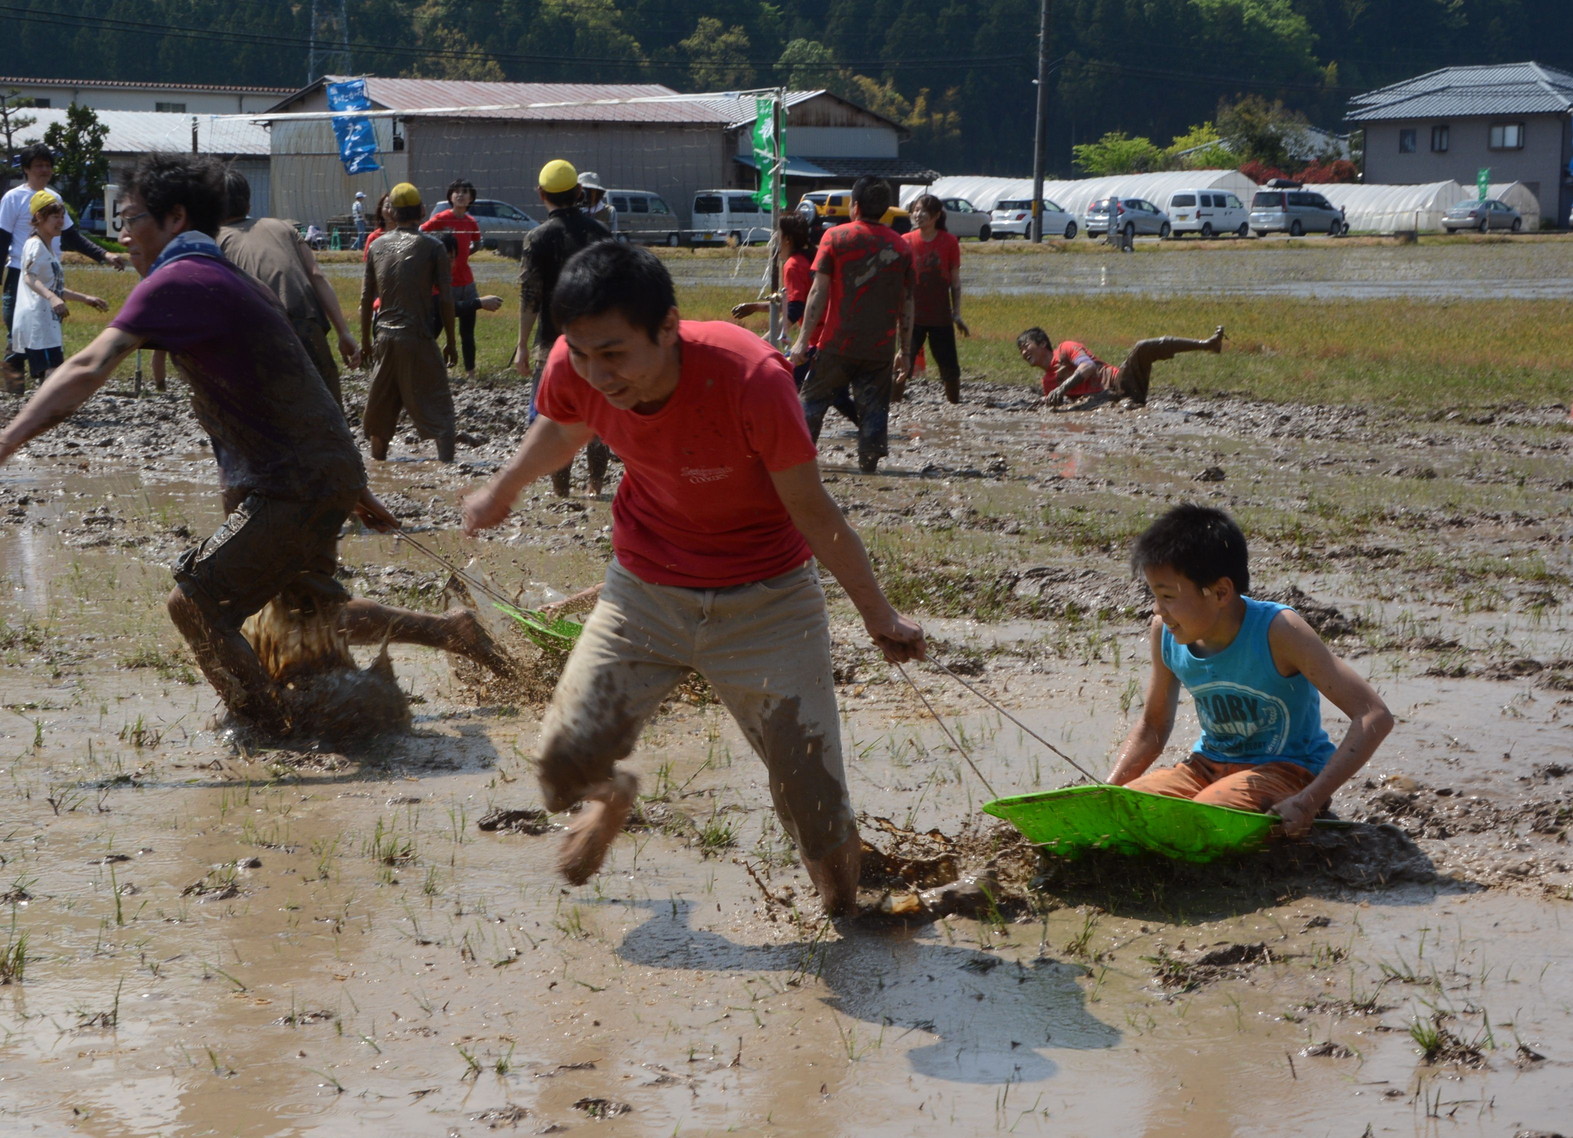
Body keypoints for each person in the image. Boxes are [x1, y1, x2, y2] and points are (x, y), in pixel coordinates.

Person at [461, 241, 927, 916]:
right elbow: (563, 429)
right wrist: (502, 488)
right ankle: (612, 796)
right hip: (643, 593)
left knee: (813, 803)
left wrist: (877, 614)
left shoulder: (750, 378)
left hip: (767, 603)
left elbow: (812, 511)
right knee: (562, 768)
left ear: (668, 326)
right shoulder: (575, 367)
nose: (596, 373)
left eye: (614, 353)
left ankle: (844, 917)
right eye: (581, 353)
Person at [0, 153, 511, 735]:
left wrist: (7, 440)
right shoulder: (219, 274)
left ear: (175, 216)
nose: (121, 235)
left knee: (194, 604)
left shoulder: (182, 275)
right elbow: (298, 380)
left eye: (130, 218)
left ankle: (271, 729)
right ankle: (450, 632)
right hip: (309, 473)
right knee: (312, 616)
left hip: (289, 482)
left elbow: (89, 363)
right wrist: (344, 478)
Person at [1107, 504, 1393, 838]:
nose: (1159, 610)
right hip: (1206, 767)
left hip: (1287, 771)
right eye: (1154, 596)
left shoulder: (1280, 631)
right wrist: (1106, 794)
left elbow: (1374, 715)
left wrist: (1308, 801)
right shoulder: (1164, 633)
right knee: (1131, 809)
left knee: (1205, 816)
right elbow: (1153, 726)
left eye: (1168, 596)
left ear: (1220, 592)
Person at [789, 175, 913, 474]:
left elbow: (818, 291)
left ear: (854, 206)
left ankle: (798, 463)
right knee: (873, 407)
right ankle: (869, 464)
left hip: (837, 342)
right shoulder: (901, 246)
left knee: (813, 400)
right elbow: (907, 303)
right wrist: (905, 352)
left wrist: (802, 340)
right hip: (880, 347)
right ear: (884, 209)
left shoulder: (835, 237)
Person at [218, 166, 360, 406]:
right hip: (305, 324)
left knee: (269, 416)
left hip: (260, 333)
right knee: (328, 411)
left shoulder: (214, 240)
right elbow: (317, 276)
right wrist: (344, 332)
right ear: (249, 205)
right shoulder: (284, 227)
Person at [515, 158, 612, 497]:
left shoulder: (537, 238)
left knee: (557, 420)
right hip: (597, 346)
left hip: (551, 346)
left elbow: (530, 296)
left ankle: (560, 495)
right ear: (580, 192)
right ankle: (596, 488)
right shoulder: (601, 233)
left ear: (541, 194)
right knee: (599, 419)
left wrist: (522, 346)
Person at [1, 143, 126, 388]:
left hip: (48, 271)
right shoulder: (13, 198)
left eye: (48, 165)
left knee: (42, 334)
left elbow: (71, 236)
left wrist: (104, 255)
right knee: (17, 334)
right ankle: (13, 393)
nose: (44, 170)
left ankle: (43, 390)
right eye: (39, 165)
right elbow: (2, 239)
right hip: (19, 272)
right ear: (26, 169)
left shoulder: (54, 198)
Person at [360, 182, 458, 462]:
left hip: (384, 338)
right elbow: (447, 299)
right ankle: (447, 466)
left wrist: (366, 341)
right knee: (440, 408)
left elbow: (367, 298)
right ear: (423, 211)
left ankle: (378, 461)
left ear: (391, 212)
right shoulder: (433, 247)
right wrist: (451, 342)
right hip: (418, 337)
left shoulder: (376, 245)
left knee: (381, 408)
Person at [731, 214, 858, 426]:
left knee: (784, 381)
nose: (773, 240)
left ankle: (774, 428)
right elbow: (797, 302)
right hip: (836, 334)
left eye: (776, 235)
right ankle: (869, 428)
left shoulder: (792, 265)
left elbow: (797, 307)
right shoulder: (810, 258)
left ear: (787, 238)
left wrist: (766, 340)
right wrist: (756, 307)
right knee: (837, 395)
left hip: (818, 341)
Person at [13, 192, 108, 384]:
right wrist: (52, 298)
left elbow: (54, 288)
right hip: (38, 322)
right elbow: (29, 278)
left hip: (49, 322)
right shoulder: (35, 246)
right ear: (39, 217)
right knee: (52, 372)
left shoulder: (48, 249)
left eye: (62, 217)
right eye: (55, 217)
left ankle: (45, 411)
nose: (61, 222)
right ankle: (46, 412)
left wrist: (85, 298)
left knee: (52, 371)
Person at [1018, 324, 1226, 409]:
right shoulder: (1047, 382)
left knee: (1142, 347)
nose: (1024, 353)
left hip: (1122, 384)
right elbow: (1065, 404)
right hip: (1109, 400)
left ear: (1043, 343)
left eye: (1026, 346)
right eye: (1021, 351)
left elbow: (1087, 367)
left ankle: (1207, 344)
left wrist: (1062, 388)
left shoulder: (1066, 348)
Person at [902, 194, 968, 404]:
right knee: (903, 361)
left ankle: (955, 404)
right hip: (912, 315)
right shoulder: (905, 241)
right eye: (915, 210)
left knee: (949, 365)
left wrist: (956, 313)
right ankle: (893, 405)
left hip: (940, 316)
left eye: (923, 211)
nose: (918, 215)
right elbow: (898, 281)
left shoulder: (949, 242)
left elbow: (955, 281)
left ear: (936, 215)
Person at [420, 178, 485, 380]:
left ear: (471, 198)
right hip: (443, 285)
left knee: (467, 332)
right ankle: (423, 367)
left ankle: (471, 373)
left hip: (467, 283)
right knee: (435, 329)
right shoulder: (440, 218)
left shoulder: (471, 222)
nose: (460, 194)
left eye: (465, 191)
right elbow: (421, 233)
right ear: (450, 195)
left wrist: (464, 256)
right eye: (456, 191)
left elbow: (477, 243)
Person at [577, 170, 616, 235]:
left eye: (590, 190)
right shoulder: (571, 209)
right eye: (584, 190)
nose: (587, 194)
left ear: (598, 192)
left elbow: (613, 236)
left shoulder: (609, 211)